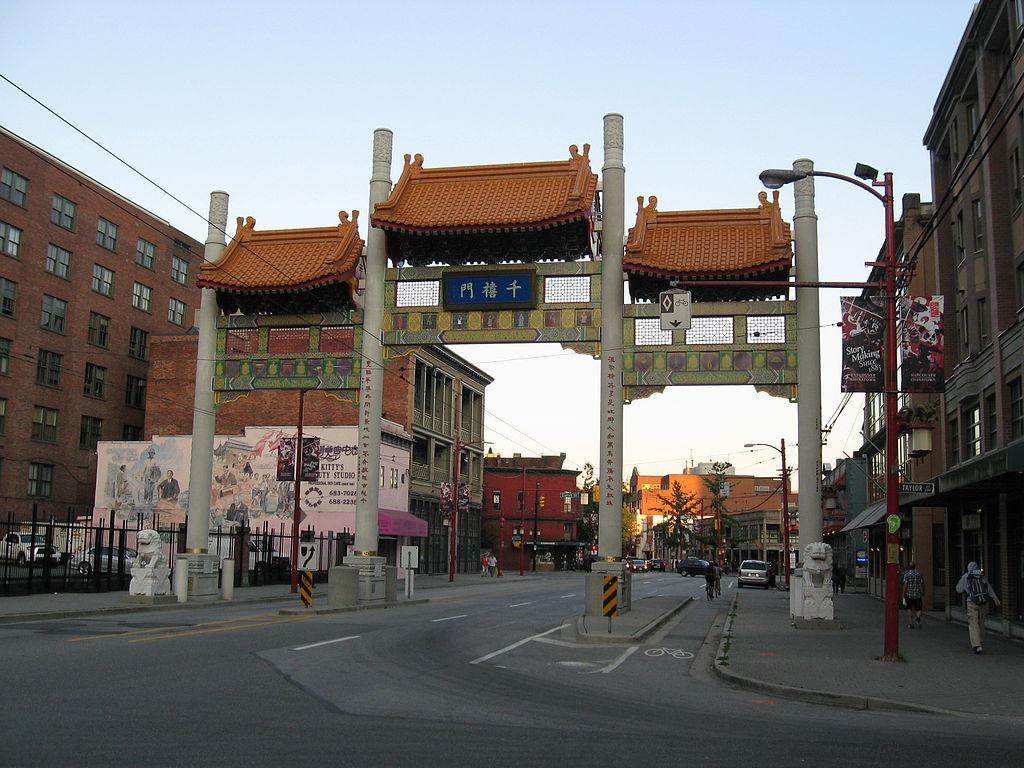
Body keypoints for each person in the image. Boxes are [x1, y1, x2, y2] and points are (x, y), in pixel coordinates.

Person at [955, 561, 1001, 654]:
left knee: (973, 624)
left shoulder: (966, 576)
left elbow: (958, 589)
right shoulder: (981, 576)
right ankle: (981, 641)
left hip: (971, 602)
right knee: (981, 623)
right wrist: (995, 599)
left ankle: (977, 645)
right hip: (983, 603)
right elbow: (989, 589)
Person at [902, 563, 924, 629]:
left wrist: (903, 594)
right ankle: (918, 617)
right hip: (917, 595)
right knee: (919, 608)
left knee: (909, 609)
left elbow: (905, 585)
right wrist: (922, 591)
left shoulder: (907, 575)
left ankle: (911, 624)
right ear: (915, 567)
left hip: (909, 595)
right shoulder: (919, 574)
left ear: (909, 567)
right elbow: (922, 583)